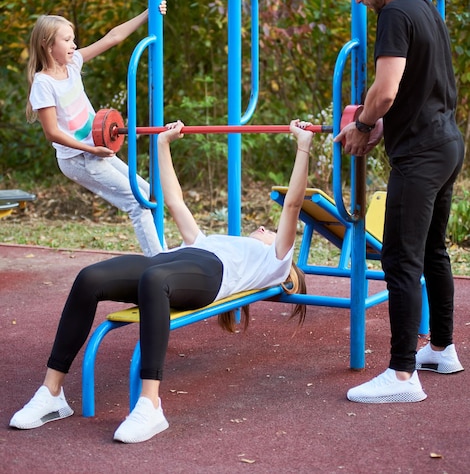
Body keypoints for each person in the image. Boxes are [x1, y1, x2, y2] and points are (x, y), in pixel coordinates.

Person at [10, 118, 313, 443]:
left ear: (288, 274)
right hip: (172, 264)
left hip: (208, 276)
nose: (265, 229)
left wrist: (303, 146)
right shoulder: (211, 239)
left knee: (155, 279)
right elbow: (175, 202)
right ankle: (52, 392)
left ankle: (150, 404)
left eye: (270, 231)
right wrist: (163, 145)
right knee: (89, 278)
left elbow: (293, 204)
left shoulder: (275, 261)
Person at [335, 0, 464, 404]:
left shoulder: (393, 15)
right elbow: (419, 89)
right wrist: (382, 123)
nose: (357, 1)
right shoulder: (426, 8)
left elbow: (386, 90)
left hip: (422, 155)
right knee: (432, 250)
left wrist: (365, 124)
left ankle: (403, 375)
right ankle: (443, 349)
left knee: (399, 258)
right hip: (447, 142)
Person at [26, 4, 168, 257]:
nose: (73, 45)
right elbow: (52, 133)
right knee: (137, 204)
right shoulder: (43, 83)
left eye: (73, 39)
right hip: (78, 158)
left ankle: (164, 255)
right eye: (67, 40)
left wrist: (148, 13)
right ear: (48, 46)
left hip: (97, 150)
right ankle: (160, 263)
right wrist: (92, 148)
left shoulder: (72, 65)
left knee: (148, 193)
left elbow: (113, 37)